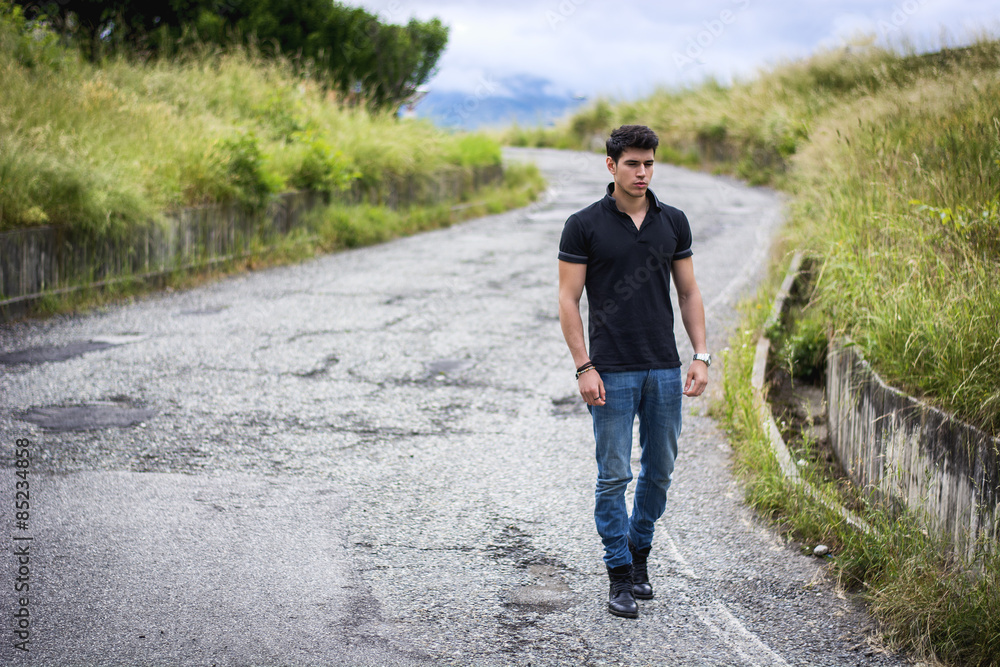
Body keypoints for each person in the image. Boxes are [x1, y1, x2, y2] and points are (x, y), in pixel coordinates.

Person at [557, 124, 710, 619]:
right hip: (612, 369)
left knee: (659, 471)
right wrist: (584, 366)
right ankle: (619, 575)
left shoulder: (673, 222)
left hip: (664, 367)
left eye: (648, 163)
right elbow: (568, 299)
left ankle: (640, 556)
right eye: (632, 164)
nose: (641, 172)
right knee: (614, 475)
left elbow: (688, 292)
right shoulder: (584, 225)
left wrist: (701, 355)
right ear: (611, 166)